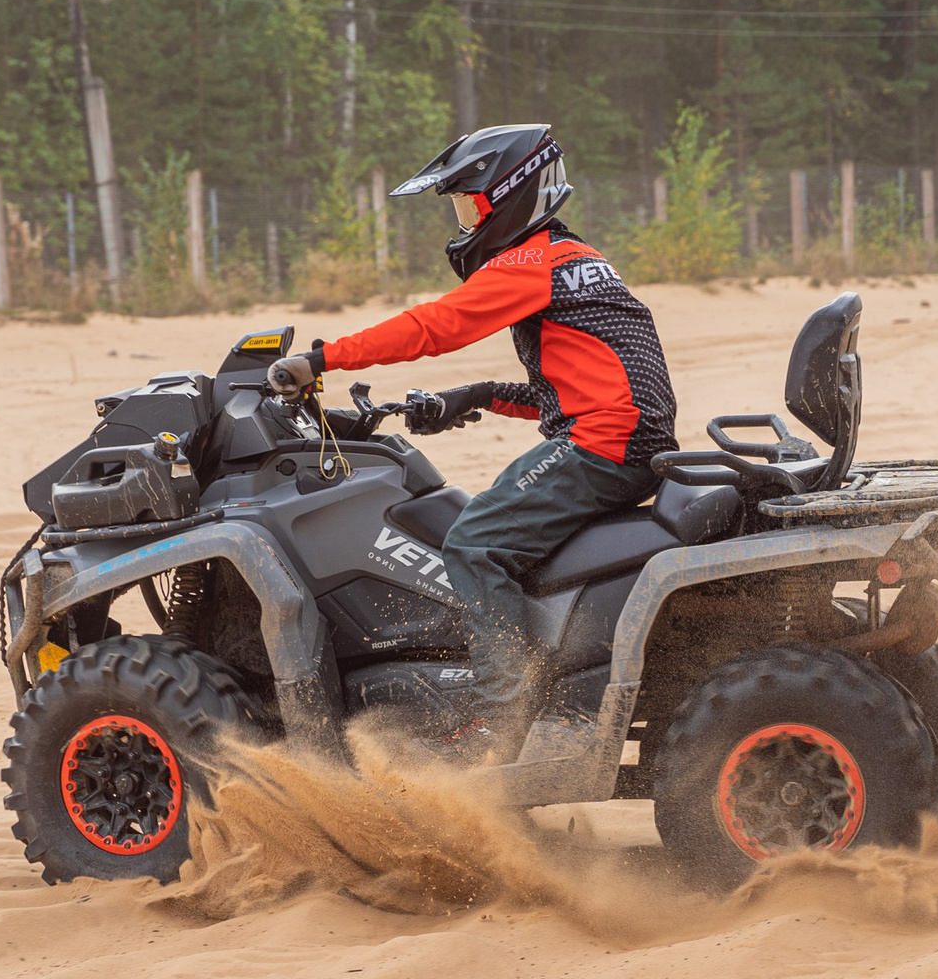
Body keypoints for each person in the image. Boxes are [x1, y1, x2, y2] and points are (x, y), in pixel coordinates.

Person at [265, 123, 677, 758]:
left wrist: (324, 359)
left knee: (476, 540)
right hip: (619, 432)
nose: (462, 222)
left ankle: (502, 711)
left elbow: (437, 326)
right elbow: (579, 383)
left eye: (468, 205)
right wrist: (479, 395)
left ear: (510, 196)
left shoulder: (533, 260)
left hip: (604, 442)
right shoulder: (576, 260)